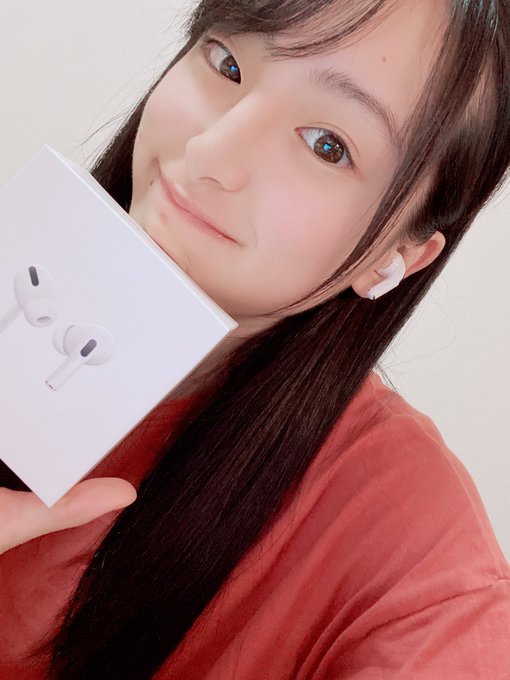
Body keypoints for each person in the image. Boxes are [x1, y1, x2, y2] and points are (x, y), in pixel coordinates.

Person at [0, 0, 509, 677]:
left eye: (328, 145)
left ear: (398, 256)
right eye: (228, 62)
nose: (210, 151)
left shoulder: (411, 550)